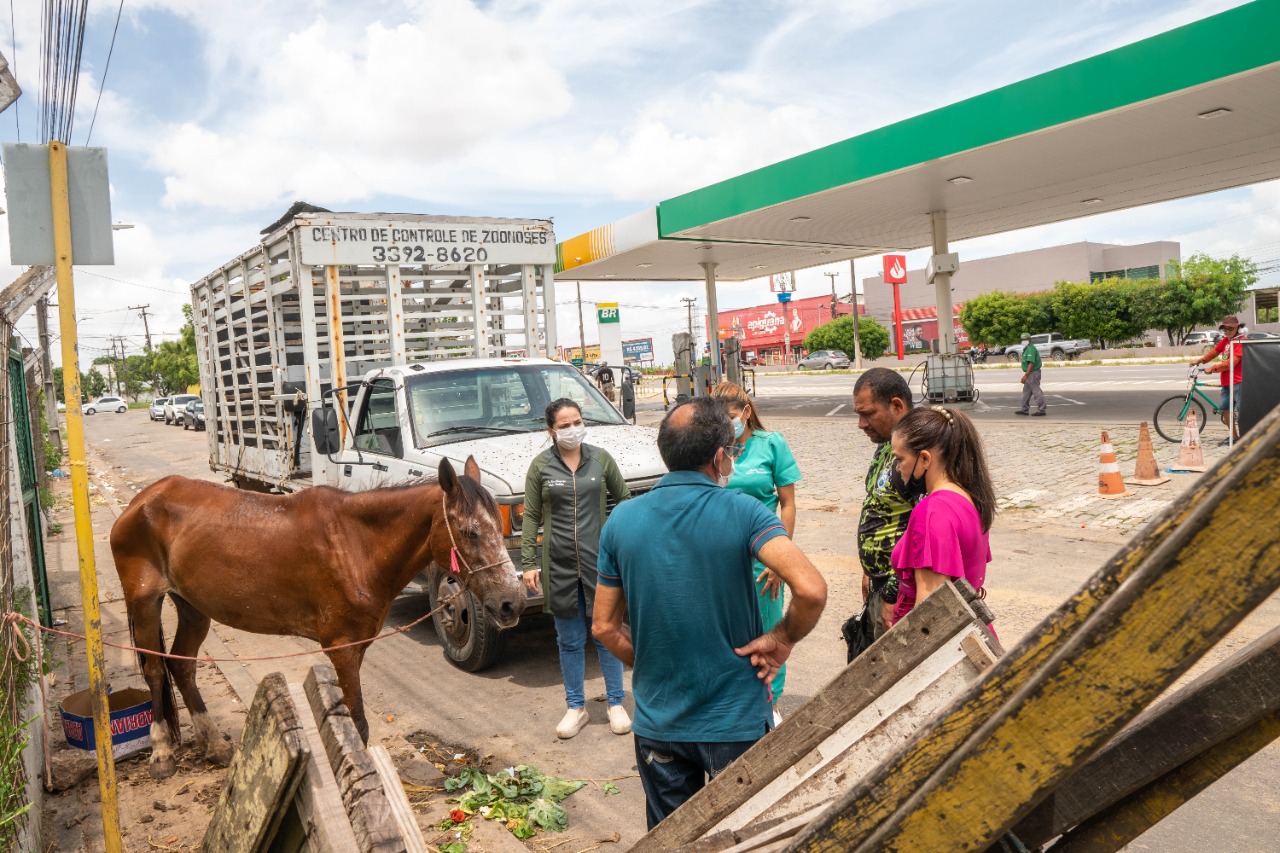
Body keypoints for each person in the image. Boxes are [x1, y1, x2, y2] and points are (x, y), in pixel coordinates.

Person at [591, 398, 827, 829]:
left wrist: (646, 662)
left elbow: (604, 625)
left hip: (659, 723)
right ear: (720, 457)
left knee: (672, 838)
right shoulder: (745, 512)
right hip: (734, 722)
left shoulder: (621, 520)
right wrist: (782, 638)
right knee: (742, 835)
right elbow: (810, 589)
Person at [521, 398, 632, 739]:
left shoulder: (601, 459)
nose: (573, 429)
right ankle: (576, 707)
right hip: (558, 566)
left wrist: (620, 544)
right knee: (569, 640)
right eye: (565, 425)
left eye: (577, 422)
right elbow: (530, 517)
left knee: (604, 632)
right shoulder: (541, 466)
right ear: (551, 430)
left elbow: (625, 502)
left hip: (600, 564)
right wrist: (528, 562)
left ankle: (616, 702)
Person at [709, 381, 801, 716]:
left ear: (746, 412)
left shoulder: (772, 445)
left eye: (731, 416)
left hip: (764, 558)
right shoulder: (713, 449)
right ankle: (734, 699)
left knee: (768, 630)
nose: (726, 425)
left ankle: (769, 702)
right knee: (725, 629)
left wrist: (781, 560)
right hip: (720, 556)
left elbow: (788, 505)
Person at [888, 405, 996, 626]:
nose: (898, 469)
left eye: (900, 459)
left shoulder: (932, 511)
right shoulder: (969, 497)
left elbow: (929, 613)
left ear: (925, 459)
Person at [851, 368, 916, 640]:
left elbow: (922, 530)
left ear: (896, 406)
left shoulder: (915, 450)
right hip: (882, 583)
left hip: (901, 591)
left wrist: (893, 591)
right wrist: (869, 571)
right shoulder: (888, 444)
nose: (861, 424)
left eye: (868, 414)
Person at [1190, 314, 1244, 442]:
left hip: (1239, 382)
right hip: (1226, 382)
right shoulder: (1226, 340)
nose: (1227, 332)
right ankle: (1234, 437)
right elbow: (1215, 352)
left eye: (1230, 329)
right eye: (1225, 329)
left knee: (1243, 412)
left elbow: (1231, 363)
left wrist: (1212, 368)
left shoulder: (1240, 341)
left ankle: (1245, 438)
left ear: (1237, 328)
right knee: (1225, 409)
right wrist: (1200, 360)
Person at [1015, 332, 1046, 416]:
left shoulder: (1031, 349)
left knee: (1036, 391)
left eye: (1025, 339)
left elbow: (1031, 363)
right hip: (1029, 373)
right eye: (1022, 339)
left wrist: (1026, 375)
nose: (1024, 341)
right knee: (1026, 392)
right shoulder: (1027, 348)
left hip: (1032, 373)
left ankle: (1042, 410)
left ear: (1029, 340)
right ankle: (1024, 409)